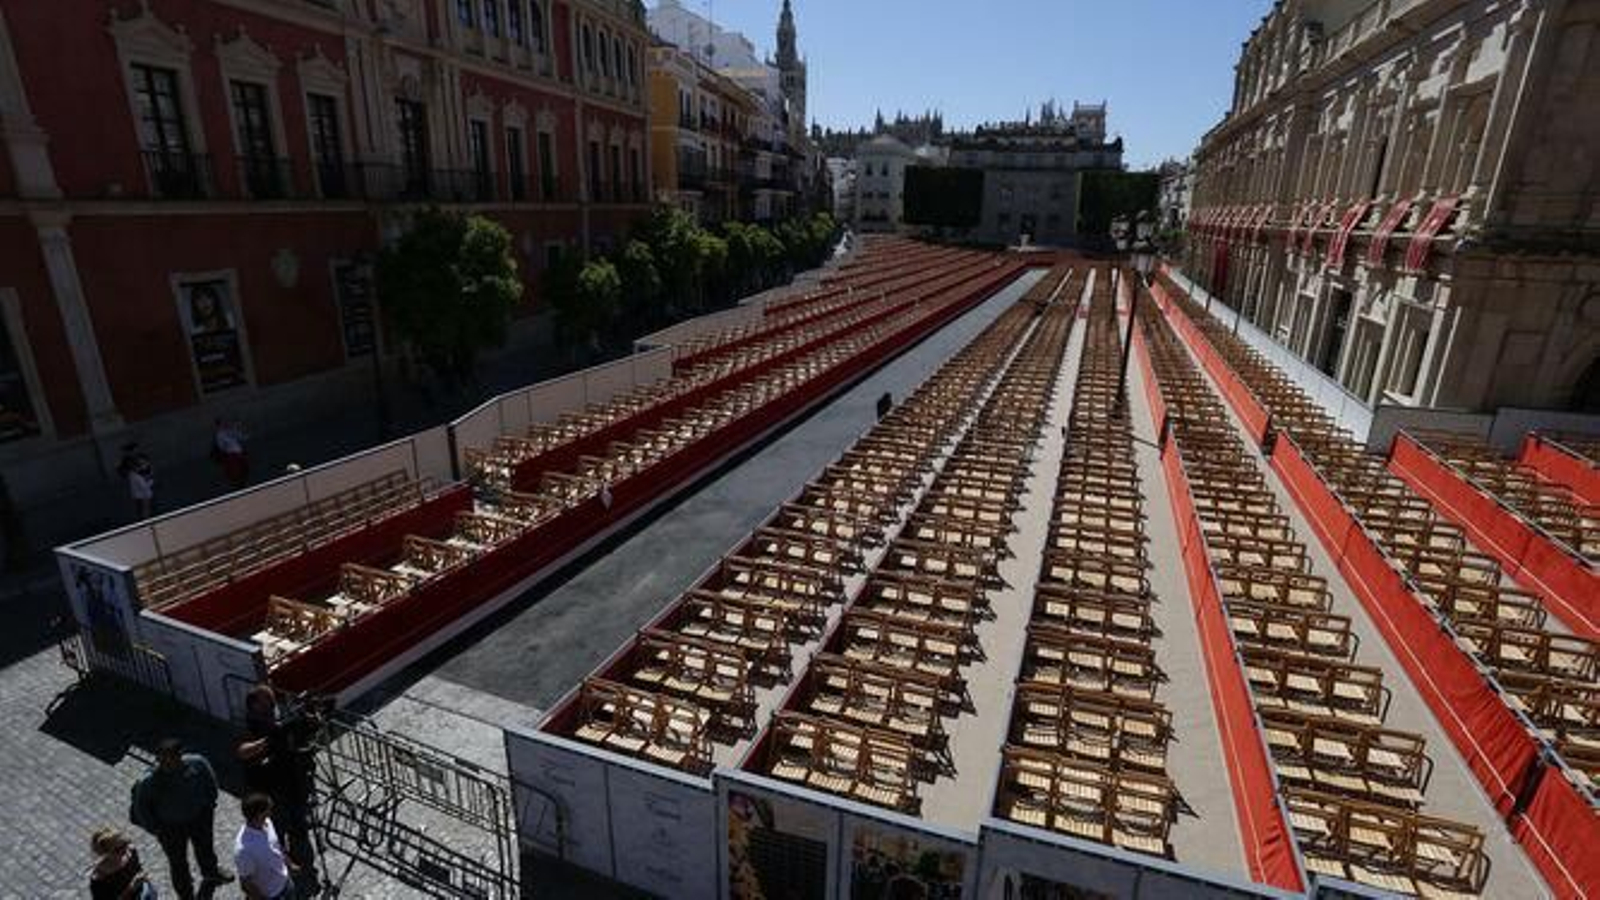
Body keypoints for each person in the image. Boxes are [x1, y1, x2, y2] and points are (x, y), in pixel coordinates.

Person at [129, 739, 233, 900]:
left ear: (180, 756)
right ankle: (186, 895)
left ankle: (211, 873)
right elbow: (141, 809)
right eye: (162, 761)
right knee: (178, 863)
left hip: (199, 819)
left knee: (206, 849)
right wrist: (156, 829)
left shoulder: (197, 763)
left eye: (171, 760)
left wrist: (209, 807)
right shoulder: (149, 782)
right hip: (170, 828)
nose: (166, 765)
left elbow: (211, 783)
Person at [236, 685, 318, 884]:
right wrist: (268, 740)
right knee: (276, 835)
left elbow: (310, 730)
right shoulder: (249, 726)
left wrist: (309, 718)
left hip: (293, 786)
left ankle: (304, 867)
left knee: (299, 829)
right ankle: (282, 872)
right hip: (269, 794)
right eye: (268, 702)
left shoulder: (279, 719)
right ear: (255, 705)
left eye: (273, 702)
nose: (273, 706)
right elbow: (242, 751)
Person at [234, 794, 295, 900]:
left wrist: (289, 864)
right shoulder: (244, 850)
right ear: (259, 815)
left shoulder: (267, 822)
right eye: (268, 810)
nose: (271, 813)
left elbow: (276, 846)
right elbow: (245, 883)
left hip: (286, 882)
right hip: (272, 895)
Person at [88, 827, 156, 900]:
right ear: (106, 853)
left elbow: (138, 869)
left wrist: (143, 876)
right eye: (117, 850)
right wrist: (130, 889)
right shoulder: (99, 878)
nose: (125, 850)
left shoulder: (130, 851)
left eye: (125, 844)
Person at [117, 442, 155, 520]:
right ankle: (144, 519)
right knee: (141, 504)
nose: (132, 452)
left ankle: (148, 517)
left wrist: (149, 475)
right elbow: (121, 471)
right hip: (138, 484)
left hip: (145, 481)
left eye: (133, 450)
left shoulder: (141, 456)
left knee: (147, 503)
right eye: (130, 451)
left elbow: (149, 467)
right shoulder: (126, 461)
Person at [212, 418, 249, 489]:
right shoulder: (220, 435)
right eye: (221, 424)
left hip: (239, 452)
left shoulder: (230, 430)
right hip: (231, 454)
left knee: (244, 468)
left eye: (224, 423)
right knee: (235, 470)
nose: (224, 424)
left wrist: (244, 435)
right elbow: (221, 446)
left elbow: (240, 436)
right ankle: (237, 483)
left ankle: (242, 482)